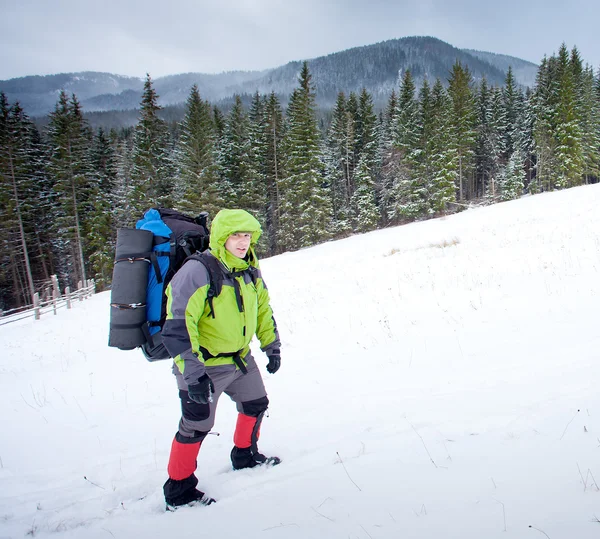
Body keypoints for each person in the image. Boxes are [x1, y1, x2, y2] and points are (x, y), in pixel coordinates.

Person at [161, 208, 282, 508]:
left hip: (240, 359)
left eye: (248, 235)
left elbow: (263, 309)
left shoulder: (250, 269)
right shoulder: (199, 270)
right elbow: (177, 325)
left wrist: (272, 345)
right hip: (204, 365)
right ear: (221, 237)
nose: (243, 242)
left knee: (256, 404)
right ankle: (179, 489)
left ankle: (244, 454)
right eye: (236, 235)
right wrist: (193, 373)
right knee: (196, 425)